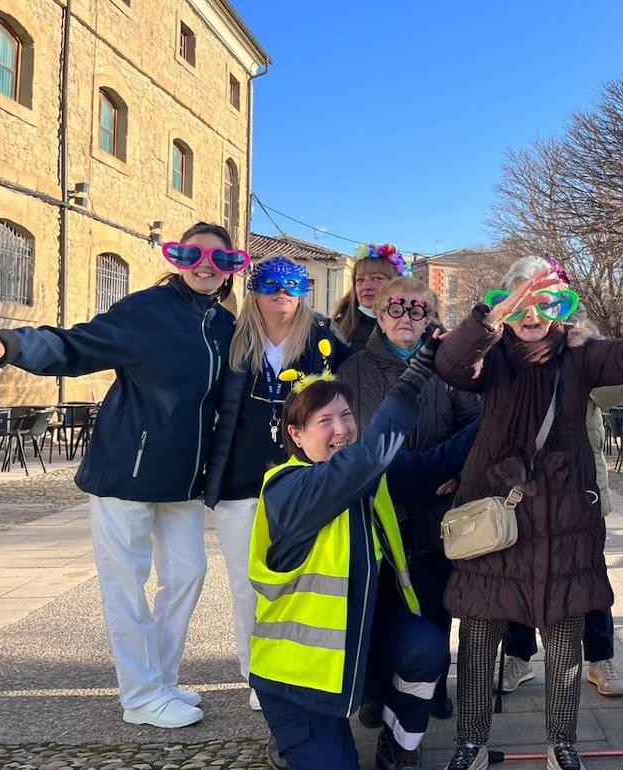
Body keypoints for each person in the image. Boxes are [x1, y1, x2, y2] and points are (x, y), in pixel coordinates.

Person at [433, 255, 623, 770]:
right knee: (479, 632)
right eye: (521, 297)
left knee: (565, 633)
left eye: (546, 300)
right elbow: (452, 365)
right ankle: (470, 741)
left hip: (564, 516)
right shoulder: (491, 353)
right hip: (495, 512)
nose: (532, 311)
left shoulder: (578, 352)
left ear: (561, 308)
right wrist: (491, 315)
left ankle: (561, 742)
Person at [0, 222, 243, 728]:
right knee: (126, 582)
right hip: (128, 468)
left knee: (188, 574)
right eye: (194, 254)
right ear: (178, 257)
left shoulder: (223, 324)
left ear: (231, 265)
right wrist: (15, 343)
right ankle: (140, 696)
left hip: (185, 479)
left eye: (219, 257)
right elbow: (80, 345)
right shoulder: (145, 310)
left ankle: (160, 680)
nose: (206, 264)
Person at [251, 331, 478, 770]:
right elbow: (365, 460)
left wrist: (506, 406)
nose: (341, 429)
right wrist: (416, 376)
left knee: (426, 648)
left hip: (357, 640)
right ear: (296, 435)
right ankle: (290, 740)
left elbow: (441, 460)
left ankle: (398, 745)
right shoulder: (288, 487)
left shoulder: (368, 470)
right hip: (300, 677)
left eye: (346, 415)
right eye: (324, 421)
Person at [203, 256, 348, 710]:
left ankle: (295, 667)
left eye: (291, 283)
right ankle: (256, 673)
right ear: (253, 289)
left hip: (302, 481)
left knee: (299, 583)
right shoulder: (231, 338)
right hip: (241, 480)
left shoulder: (323, 340)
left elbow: (360, 384)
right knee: (247, 584)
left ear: (303, 290)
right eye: (269, 282)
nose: (280, 291)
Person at [336, 275, 480, 723]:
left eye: (418, 309)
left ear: (430, 317)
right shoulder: (353, 369)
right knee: (380, 604)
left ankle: (432, 685)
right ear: (379, 315)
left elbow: (473, 425)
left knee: (436, 602)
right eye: (396, 308)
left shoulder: (449, 371)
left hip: (435, 508)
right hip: (377, 509)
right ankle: (378, 690)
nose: (406, 317)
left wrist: (459, 474)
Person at [499, 319, 623, 699]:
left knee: (588, 573)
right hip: (522, 486)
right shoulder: (513, 347)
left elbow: (614, 394)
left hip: (579, 487)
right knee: (517, 573)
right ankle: (519, 655)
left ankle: (600, 657)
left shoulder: (579, 344)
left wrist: (594, 343)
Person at [332, 243, 409, 354]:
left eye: (377, 278)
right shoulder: (336, 330)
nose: (366, 287)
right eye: (360, 280)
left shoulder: (418, 327)